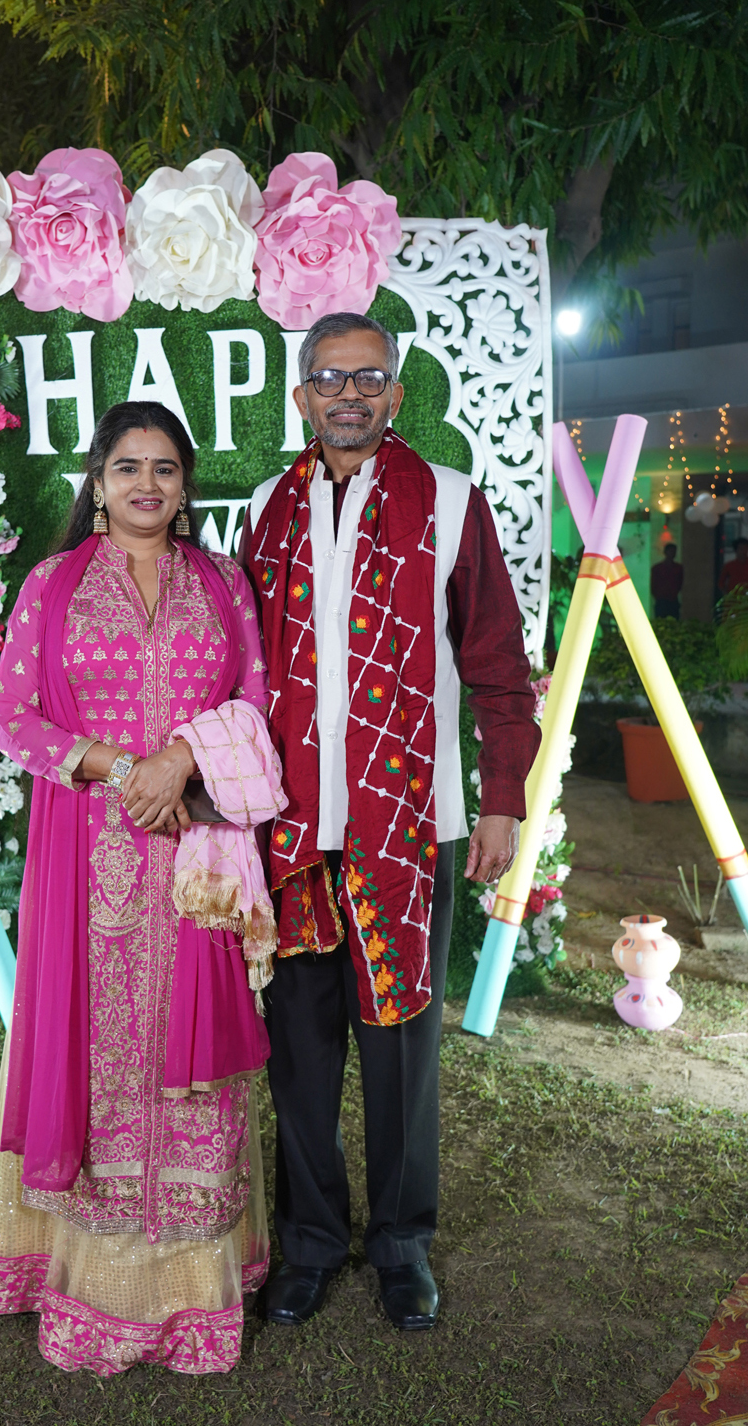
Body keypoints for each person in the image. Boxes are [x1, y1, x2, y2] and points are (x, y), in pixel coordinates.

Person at [240, 312, 541, 1332]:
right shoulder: (265, 509)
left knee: (403, 1043)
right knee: (299, 1047)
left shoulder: (450, 501)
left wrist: (501, 799)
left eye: (368, 378)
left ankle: (403, 1244)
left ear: (395, 394)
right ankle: (312, 1241)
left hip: (413, 817)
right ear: (302, 396)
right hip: (292, 826)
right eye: (330, 378)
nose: (349, 395)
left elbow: (497, 663)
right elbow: (245, 665)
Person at [0, 400, 278, 1376]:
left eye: (165, 469)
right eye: (127, 468)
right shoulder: (53, 583)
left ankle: (194, 1289)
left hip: (200, 853)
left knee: (194, 1054)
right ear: (98, 484)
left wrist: (181, 759)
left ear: (185, 487)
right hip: (86, 854)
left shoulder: (224, 583)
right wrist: (123, 769)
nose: (147, 484)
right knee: (94, 1046)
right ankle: (92, 1280)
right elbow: (16, 721)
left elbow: (256, 700)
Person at [651, 542, 683, 618]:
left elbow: (679, 584)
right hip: (662, 600)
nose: (672, 553)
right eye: (671, 551)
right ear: (665, 552)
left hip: (672, 600)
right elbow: (654, 585)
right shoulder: (657, 568)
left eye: (674, 552)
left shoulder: (678, 568)